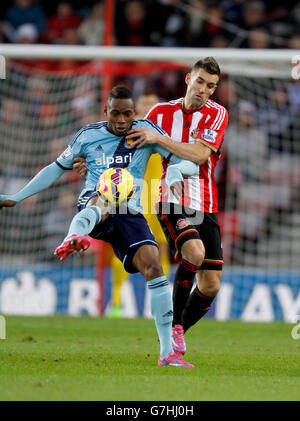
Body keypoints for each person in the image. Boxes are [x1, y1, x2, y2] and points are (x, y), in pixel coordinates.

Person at [0, 85, 197, 368]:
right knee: (104, 197)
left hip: (130, 212)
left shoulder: (146, 132)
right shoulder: (87, 136)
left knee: (154, 265)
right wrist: (17, 197)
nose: (121, 119)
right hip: (95, 202)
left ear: (134, 113)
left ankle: (167, 353)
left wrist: (177, 169)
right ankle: (73, 237)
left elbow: (185, 160)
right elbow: (54, 168)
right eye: (115, 113)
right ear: (105, 111)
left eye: (127, 113)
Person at [126, 57, 228, 356]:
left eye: (211, 86)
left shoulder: (218, 113)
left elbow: (198, 155)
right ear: (188, 79)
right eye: (200, 82)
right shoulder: (159, 112)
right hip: (171, 198)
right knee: (193, 252)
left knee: (210, 286)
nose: (204, 90)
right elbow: (132, 143)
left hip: (205, 202)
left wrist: (159, 138)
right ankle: (171, 328)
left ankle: (178, 326)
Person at [108, 91, 170, 318]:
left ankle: (159, 300)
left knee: (161, 247)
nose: (149, 107)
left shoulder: (163, 133)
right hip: (133, 195)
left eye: (154, 104)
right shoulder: (129, 133)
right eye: (145, 104)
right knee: (125, 248)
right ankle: (115, 301)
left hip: (159, 197)